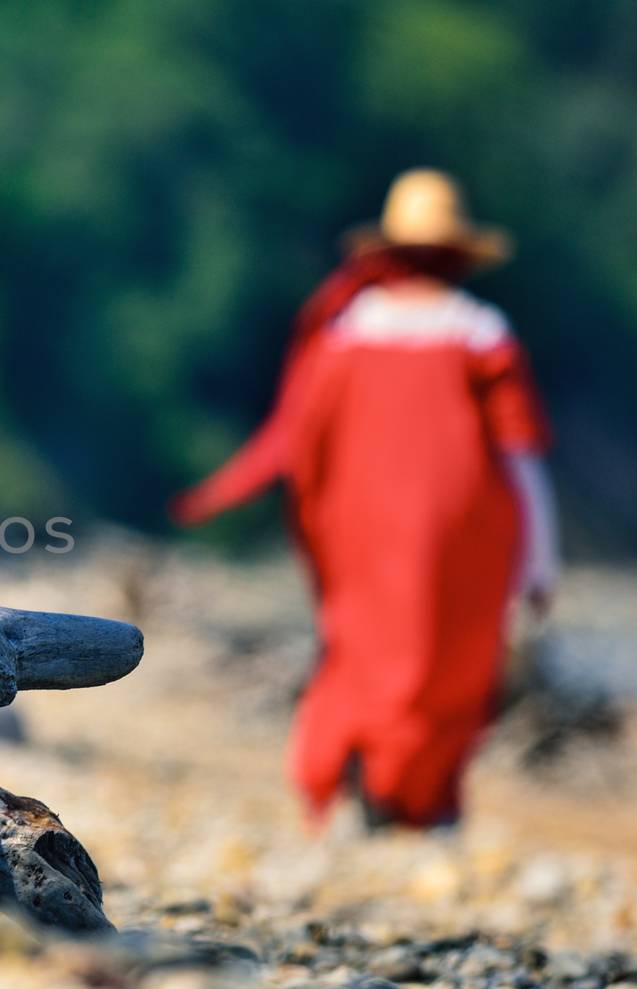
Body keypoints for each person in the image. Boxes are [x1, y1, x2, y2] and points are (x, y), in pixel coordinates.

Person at [172, 168, 559, 829]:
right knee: (447, 661)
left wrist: (317, 522)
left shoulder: (346, 331)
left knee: (362, 649)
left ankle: (361, 782)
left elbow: (307, 439)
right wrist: (541, 559)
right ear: (460, 256)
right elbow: (519, 455)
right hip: (458, 531)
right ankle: (415, 795)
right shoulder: (481, 331)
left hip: (363, 525)